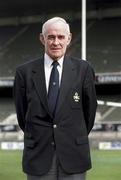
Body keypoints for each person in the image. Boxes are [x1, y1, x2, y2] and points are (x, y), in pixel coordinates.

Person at [14, 17, 97, 180]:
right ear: (42, 38)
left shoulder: (84, 69)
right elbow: (22, 114)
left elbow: (89, 112)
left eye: (60, 37)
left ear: (69, 38)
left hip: (74, 154)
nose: (56, 42)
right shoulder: (24, 72)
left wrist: (69, 135)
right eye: (51, 37)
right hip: (38, 155)